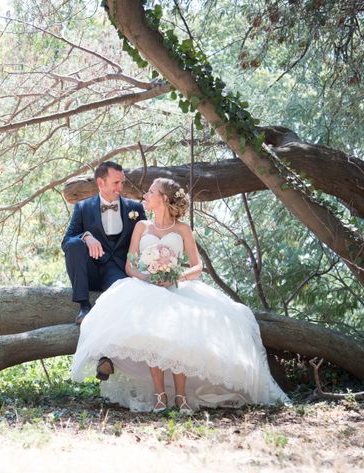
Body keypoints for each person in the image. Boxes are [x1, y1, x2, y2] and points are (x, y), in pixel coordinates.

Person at [71, 177, 289, 413]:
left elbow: (197, 267)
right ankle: (159, 395)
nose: (146, 195)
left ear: (164, 198)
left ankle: (182, 397)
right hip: (145, 287)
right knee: (151, 335)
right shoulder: (141, 227)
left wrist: (175, 276)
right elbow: (129, 266)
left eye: (151, 192)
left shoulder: (183, 229)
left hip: (176, 286)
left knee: (181, 332)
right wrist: (147, 278)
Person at [62, 161, 147, 325]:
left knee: (123, 304)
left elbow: (147, 238)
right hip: (91, 270)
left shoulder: (135, 208)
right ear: (101, 183)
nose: (120, 187)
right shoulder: (82, 207)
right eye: (116, 182)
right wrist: (86, 236)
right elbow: (66, 241)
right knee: (74, 244)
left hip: (118, 270)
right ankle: (84, 307)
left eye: (122, 182)